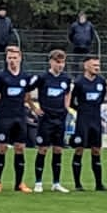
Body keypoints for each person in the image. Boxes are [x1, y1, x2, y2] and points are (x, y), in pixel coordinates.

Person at [28, 48, 73, 193]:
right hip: (46, 118)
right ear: (51, 62)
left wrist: (66, 107)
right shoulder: (42, 78)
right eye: (57, 62)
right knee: (43, 149)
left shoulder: (66, 79)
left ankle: (56, 183)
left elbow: (67, 93)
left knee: (58, 150)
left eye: (62, 62)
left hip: (60, 118)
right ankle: (38, 182)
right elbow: (26, 89)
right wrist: (34, 108)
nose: (60, 65)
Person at [0, 44, 33, 193]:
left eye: (15, 58)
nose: (12, 61)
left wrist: (30, 107)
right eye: (9, 58)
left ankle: (19, 183)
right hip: (5, 117)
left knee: (20, 148)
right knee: (2, 148)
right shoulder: (1, 77)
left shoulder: (25, 77)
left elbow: (27, 95)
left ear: (20, 58)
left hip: (20, 117)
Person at [70, 55, 107, 191]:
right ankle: (78, 184)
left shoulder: (101, 82)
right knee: (79, 149)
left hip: (96, 120)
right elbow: (71, 101)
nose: (97, 68)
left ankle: (99, 184)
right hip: (83, 120)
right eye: (94, 65)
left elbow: (101, 97)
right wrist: (81, 110)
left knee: (96, 150)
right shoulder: (79, 82)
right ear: (86, 66)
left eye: (98, 65)